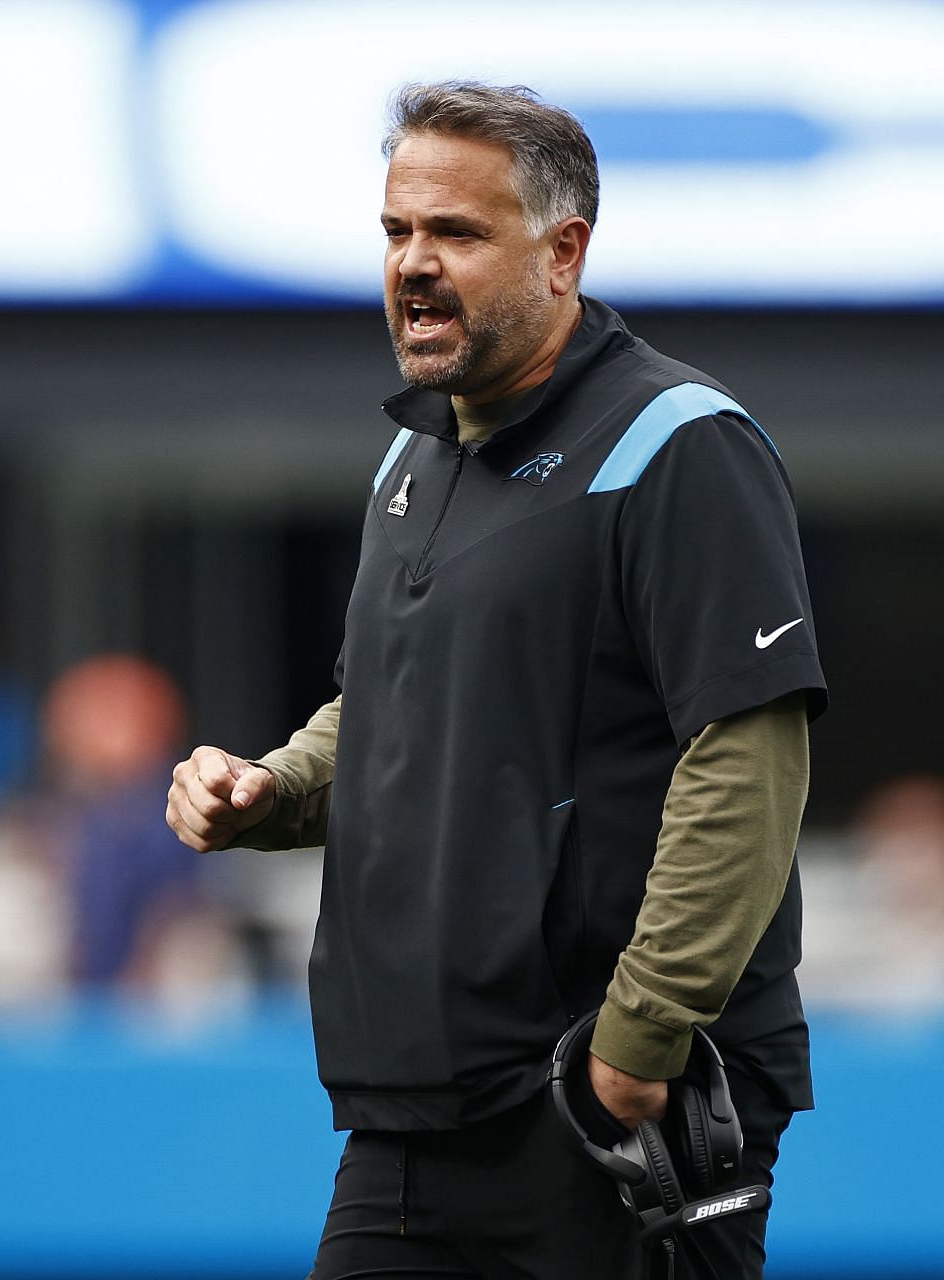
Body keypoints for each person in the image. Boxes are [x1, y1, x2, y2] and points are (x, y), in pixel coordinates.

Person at [167, 82, 826, 1279]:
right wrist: (271, 784)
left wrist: (639, 1037)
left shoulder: (681, 444)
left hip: (605, 1110)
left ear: (564, 251)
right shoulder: (418, 453)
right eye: (396, 233)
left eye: (456, 234)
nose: (414, 265)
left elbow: (747, 755)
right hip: (412, 1112)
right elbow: (387, 707)